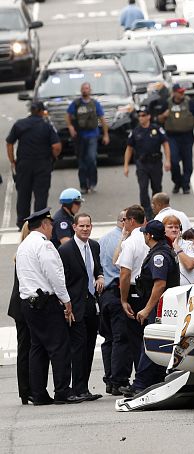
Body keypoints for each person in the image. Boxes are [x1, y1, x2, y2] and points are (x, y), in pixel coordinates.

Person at [16, 208, 87, 405]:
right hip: (46, 302)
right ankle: (62, 391)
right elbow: (54, 275)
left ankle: (38, 393)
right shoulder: (44, 245)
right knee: (59, 347)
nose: (52, 230)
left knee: (37, 348)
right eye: (50, 226)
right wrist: (66, 300)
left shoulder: (24, 246)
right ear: (44, 225)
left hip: (28, 302)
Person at [126, 220, 179, 396]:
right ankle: (156, 380)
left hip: (159, 308)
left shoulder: (159, 256)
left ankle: (140, 384)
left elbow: (159, 284)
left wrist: (147, 309)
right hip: (162, 306)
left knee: (150, 342)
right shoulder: (162, 250)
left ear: (149, 236)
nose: (143, 235)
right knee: (159, 343)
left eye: (144, 233)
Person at [57, 213, 104, 401]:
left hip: (91, 303)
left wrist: (100, 276)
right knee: (78, 347)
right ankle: (78, 388)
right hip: (74, 305)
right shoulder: (65, 249)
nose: (85, 229)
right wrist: (65, 304)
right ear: (74, 227)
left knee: (90, 346)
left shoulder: (94, 245)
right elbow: (61, 279)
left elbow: (96, 268)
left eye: (88, 226)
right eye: (81, 226)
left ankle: (84, 387)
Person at [6, 101, 61, 230]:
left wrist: (12, 161)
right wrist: (53, 157)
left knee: (23, 194)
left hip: (24, 164)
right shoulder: (47, 126)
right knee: (41, 195)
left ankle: (22, 224)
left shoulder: (19, 124)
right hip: (42, 164)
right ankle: (39, 223)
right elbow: (56, 146)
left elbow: (9, 143)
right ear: (41, 111)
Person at [114, 205, 149, 396]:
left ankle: (140, 381)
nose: (124, 223)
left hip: (135, 293)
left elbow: (125, 273)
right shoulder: (150, 239)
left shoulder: (131, 242)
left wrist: (123, 299)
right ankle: (150, 378)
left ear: (131, 221)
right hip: (150, 293)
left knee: (136, 340)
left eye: (125, 220)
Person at [98, 210, 131, 395]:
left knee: (109, 339)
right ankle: (119, 380)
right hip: (119, 292)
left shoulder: (103, 240)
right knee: (122, 338)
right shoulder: (126, 241)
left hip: (105, 295)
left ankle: (110, 379)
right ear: (125, 221)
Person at [123, 106, 171, 220]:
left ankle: (158, 212)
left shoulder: (156, 129)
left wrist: (168, 160)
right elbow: (129, 148)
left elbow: (165, 144)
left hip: (155, 163)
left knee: (157, 188)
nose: (141, 118)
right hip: (142, 164)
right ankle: (146, 214)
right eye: (139, 116)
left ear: (149, 116)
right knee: (143, 189)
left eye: (143, 115)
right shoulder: (135, 131)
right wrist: (126, 165)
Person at [158, 83, 194, 195]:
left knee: (188, 162)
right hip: (172, 136)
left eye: (183, 91)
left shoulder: (189, 102)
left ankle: (185, 184)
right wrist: (164, 115)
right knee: (173, 160)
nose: (182, 93)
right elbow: (159, 119)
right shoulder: (167, 103)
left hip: (187, 136)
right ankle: (177, 182)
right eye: (180, 92)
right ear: (174, 93)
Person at [66, 82, 110, 194]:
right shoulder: (76, 104)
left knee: (91, 159)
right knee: (81, 162)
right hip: (80, 136)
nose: (85, 90)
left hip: (92, 135)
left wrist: (106, 134)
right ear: (81, 90)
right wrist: (70, 127)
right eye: (83, 88)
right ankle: (83, 185)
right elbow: (68, 115)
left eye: (87, 88)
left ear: (90, 90)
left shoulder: (95, 104)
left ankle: (92, 183)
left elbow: (102, 119)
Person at [9, 222, 32, 404]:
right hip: (23, 307)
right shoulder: (28, 251)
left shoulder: (22, 251)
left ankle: (26, 389)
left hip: (19, 306)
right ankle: (26, 389)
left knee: (26, 348)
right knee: (26, 348)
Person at [163, 215, 194, 285]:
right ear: (163, 230)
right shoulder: (161, 246)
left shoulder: (188, 244)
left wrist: (176, 247)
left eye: (176, 227)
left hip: (188, 287)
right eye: (170, 227)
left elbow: (190, 265)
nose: (174, 230)